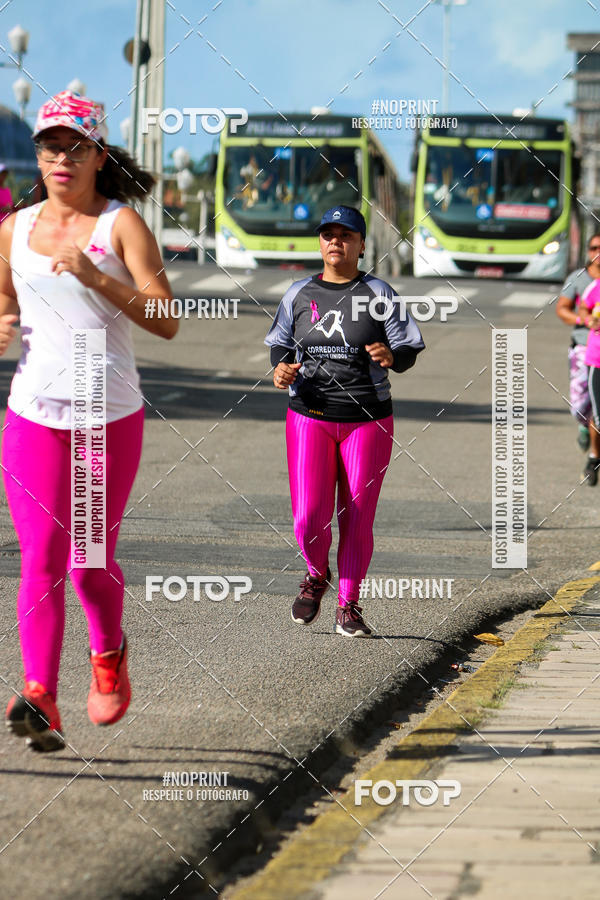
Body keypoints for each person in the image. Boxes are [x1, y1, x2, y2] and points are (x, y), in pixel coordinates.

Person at [0, 89, 178, 752]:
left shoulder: (121, 226)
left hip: (108, 416)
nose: (60, 157)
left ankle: (109, 656)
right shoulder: (14, 229)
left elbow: (166, 322)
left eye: (75, 146)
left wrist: (95, 277)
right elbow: (3, 299)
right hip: (33, 417)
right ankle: (39, 695)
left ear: (100, 155)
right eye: (50, 146)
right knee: (40, 559)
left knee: (87, 561)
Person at [265, 205, 424, 637]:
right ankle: (317, 573)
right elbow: (280, 344)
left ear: (360, 243)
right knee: (308, 517)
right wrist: (281, 368)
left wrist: (393, 357)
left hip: (367, 421)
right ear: (320, 242)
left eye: (346, 235)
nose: (336, 242)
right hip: (309, 418)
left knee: (356, 516)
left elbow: (408, 347)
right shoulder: (298, 294)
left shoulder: (379, 293)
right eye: (328, 234)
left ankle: (348, 605)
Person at [556, 235, 600, 474]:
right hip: (583, 348)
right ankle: (585, 426)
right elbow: (562, 309)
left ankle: (594, 449)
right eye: (594, 247)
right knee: (580, 406)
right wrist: (583, 319)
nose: (598, 251)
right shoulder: (578, 279)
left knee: (597, 406)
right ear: (588, 250)